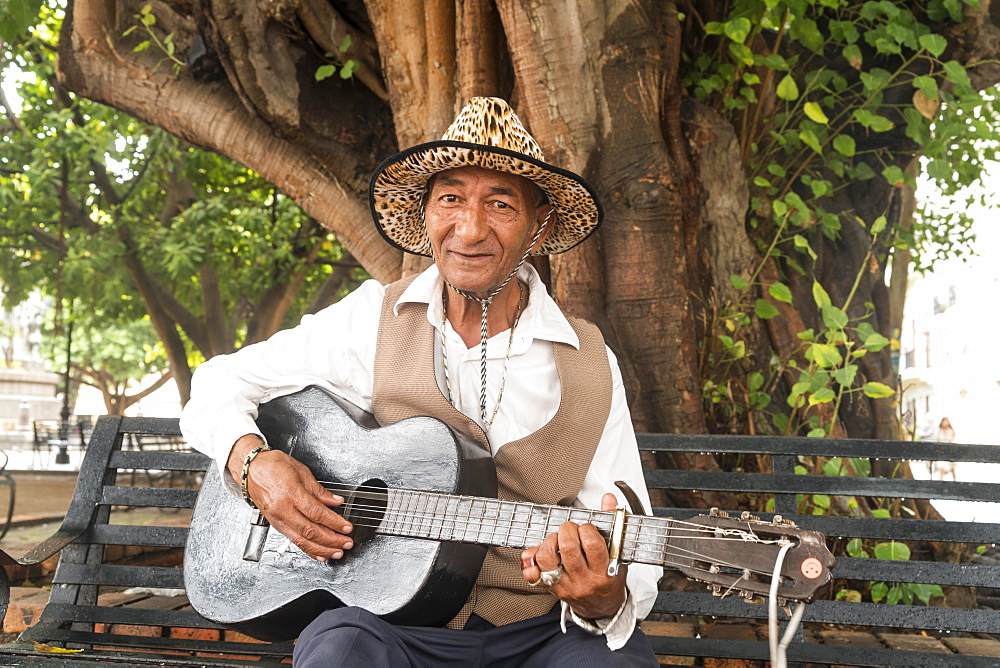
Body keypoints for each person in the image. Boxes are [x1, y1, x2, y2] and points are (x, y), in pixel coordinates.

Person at [180, 97, 662, 666]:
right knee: (339, 650)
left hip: (540, 631)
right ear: (428, 213)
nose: (470, 227)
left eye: (501, 203)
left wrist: (604, 596)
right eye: (451, 198)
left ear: (541, 224)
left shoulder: (587, 359)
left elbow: (636, 542)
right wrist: (255, 465)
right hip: (396, 626)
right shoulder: (369, 319)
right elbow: (215, 382)